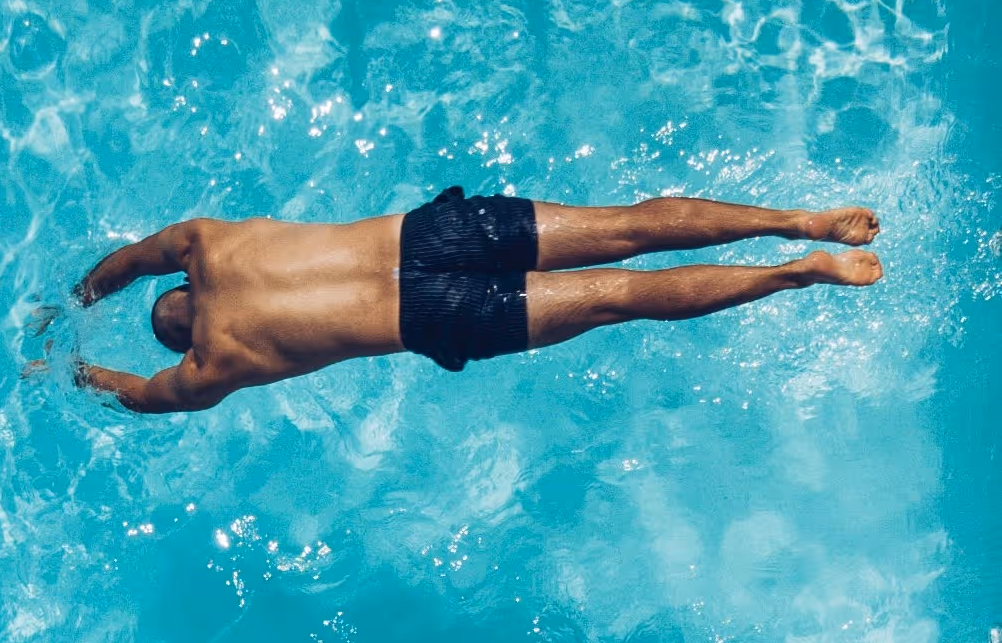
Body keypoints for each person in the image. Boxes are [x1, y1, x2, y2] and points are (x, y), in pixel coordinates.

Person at [66, 188, 882, 414]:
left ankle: (798, 272)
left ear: (180, 342)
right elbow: (133, 258)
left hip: (428, 317)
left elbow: (140, 398)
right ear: (181, 288)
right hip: (425, 237)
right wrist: (81, 294)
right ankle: (797, 220)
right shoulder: (208, 244)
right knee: (625, 227)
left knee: (623, 297)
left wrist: (75, 371)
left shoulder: (213, 366)